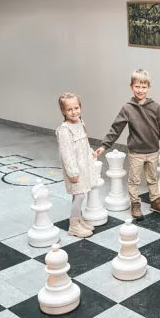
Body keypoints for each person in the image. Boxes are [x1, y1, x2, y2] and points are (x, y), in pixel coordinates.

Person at [95, 68, 160, 220]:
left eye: (143, 87)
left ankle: (155, 201)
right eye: (137, 86)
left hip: (152, 151)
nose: (140, 90)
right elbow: (116, 128)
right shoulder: (127, 108)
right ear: (131, 87)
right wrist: (104, 145)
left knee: (152, 178)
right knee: (134, 180)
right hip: (136, 152)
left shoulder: (156, 107)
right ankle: (135, 204)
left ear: (149, 88)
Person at [56, 92, 95, 238]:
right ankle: (74, 225)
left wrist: (90, 152)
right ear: (63, 111)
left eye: (76, 108)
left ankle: (79, 219)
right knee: (79, 195)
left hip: (83, 166)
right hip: (74, 170)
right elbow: (66, 154)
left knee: (80, 193)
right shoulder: (64, 130)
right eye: (69, 109)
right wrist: (72, 172)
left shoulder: (80, 123)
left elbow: (84, 143)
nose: (74, 112)